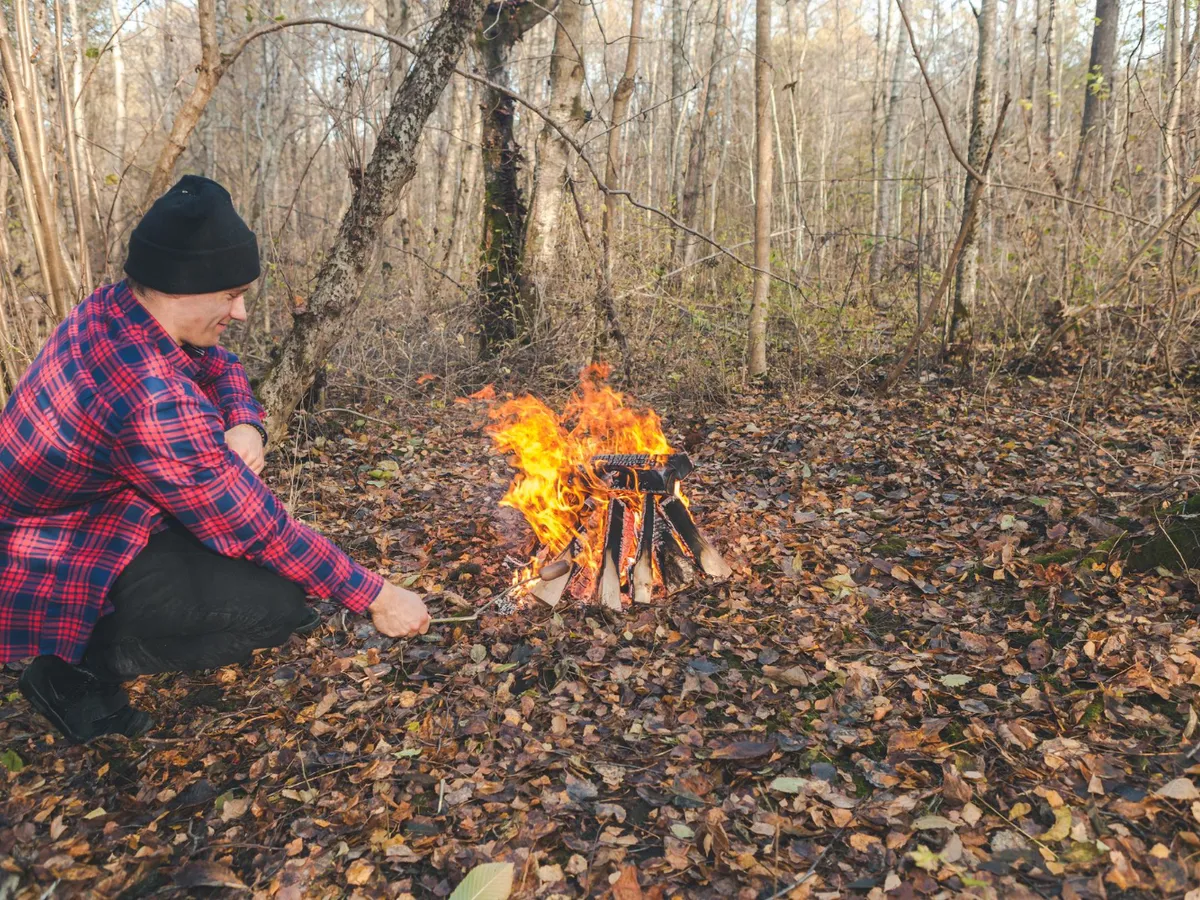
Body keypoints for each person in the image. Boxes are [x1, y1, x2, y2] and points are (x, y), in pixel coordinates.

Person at [0, 175, 430, 744]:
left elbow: (220, 365)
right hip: (52, 554)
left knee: (277, 586)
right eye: (230, 295)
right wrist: (378, 595)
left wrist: (244, 419)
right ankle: (70, 667)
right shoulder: (148, 396)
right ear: (181, 287)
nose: (242, 312)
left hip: (97, 509)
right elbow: (260, 529)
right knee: (275, 605)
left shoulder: (119, 308)